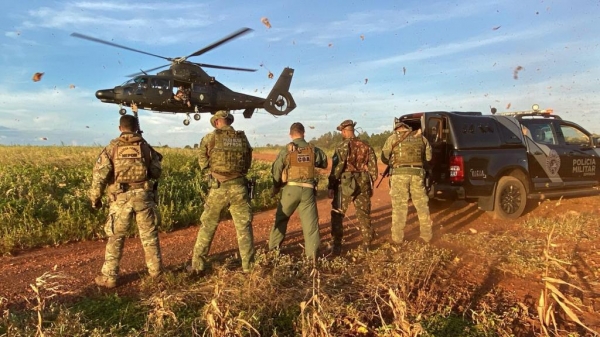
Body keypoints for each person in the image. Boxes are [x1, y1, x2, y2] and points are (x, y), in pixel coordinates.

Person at [89, 114, 163, 288]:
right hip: (144, 197)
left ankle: (110, 277)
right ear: (136, 128)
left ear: (120, 128)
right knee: (149, 236)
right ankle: (157, 273)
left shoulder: (112, 148)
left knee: (116, 237)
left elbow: (100, 176)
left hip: (120, 199)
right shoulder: (145, 147)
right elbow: (156, 173)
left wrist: (95, 198)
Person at [189, 110, 254, 274]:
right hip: (239, 187)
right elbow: (247, 160)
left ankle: (198, 266)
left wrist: (210, 172)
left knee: (208, 226)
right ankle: (248, 267)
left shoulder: (210, 138)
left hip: (218, 187)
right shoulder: (241, 138)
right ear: (229, 121)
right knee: (244, 227)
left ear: (217, 122)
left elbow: (202, 160)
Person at [269, 122, 328, 259]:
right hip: (308, 190)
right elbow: (323, 163)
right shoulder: (313, 149)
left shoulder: (287, 150)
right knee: (311, 225)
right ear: (304, 133)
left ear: (291, 135)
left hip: (290, 189)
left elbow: (276, 169)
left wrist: (276, 186)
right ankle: (312, 258)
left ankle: (273, 252)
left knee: (281, 219)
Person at [327, 120, 378, 254]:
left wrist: (331, 185)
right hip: (363, 182)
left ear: (344, 131)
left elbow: (337, 168)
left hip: (346, 183)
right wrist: (370, 184)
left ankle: (337, 246)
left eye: (341, 132)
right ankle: (367, 243)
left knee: (337, 213)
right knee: (363, 213)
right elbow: (373, 170)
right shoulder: (366, 146)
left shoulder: (342, 146)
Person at [380, 120, 433, 245]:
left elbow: (384, 157)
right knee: (422, 206)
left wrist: (393, 162)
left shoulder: (392, 138)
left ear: (397, 128)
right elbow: (429, 158)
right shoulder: (421, 138)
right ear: (407, 128)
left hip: (399, 176)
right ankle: (426, 237)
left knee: (399, 207)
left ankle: (397, 239)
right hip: (417, 174)